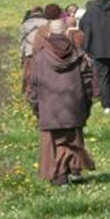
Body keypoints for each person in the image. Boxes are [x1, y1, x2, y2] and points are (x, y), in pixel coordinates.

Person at [27, 18, 96, 186]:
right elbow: (88, 81)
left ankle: (60, 176)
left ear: (49, 33)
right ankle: (75, 169)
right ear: (66, 32)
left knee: (54, 143)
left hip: (50, 109)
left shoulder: (39, 57)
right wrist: (86, 103)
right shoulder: (78, 55)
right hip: (73, 105)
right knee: (74, 139)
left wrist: (37, 107)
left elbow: (33, 86)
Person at [19, 6, 47, 91]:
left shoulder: (26, 24)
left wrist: (21, 56)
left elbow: (22, 41)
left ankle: (29, 91)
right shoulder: (46, 23)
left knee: (29, 73)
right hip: (43, 51)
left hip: (29, 51)